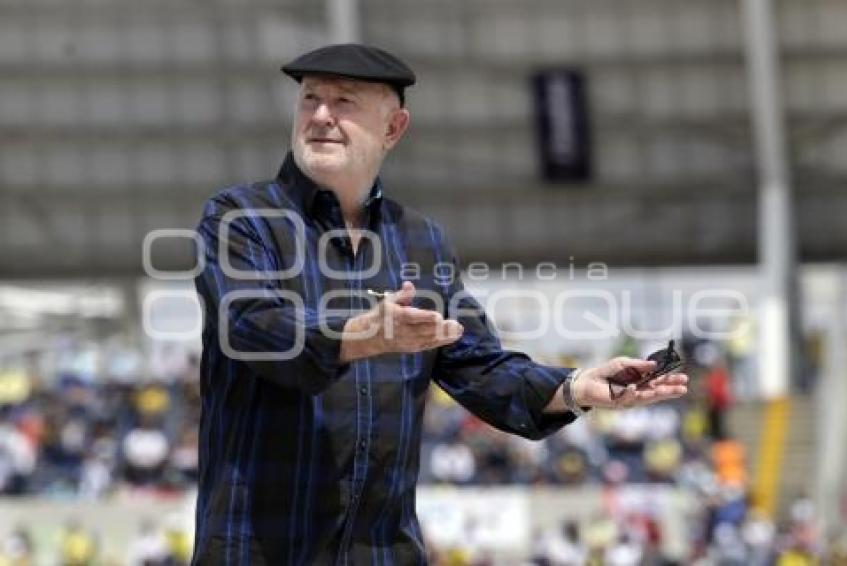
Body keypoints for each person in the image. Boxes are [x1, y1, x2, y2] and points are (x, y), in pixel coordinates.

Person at [191, 43, 689, 565]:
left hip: (382, 554)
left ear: (393, 128)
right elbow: (252, 327)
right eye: (310, 99)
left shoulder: (421, 241)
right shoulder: (240, 218)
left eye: (344, 102)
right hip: (257, 550)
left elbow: (478, 366)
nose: (320, 116)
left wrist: (574, 388)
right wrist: (363, 335)